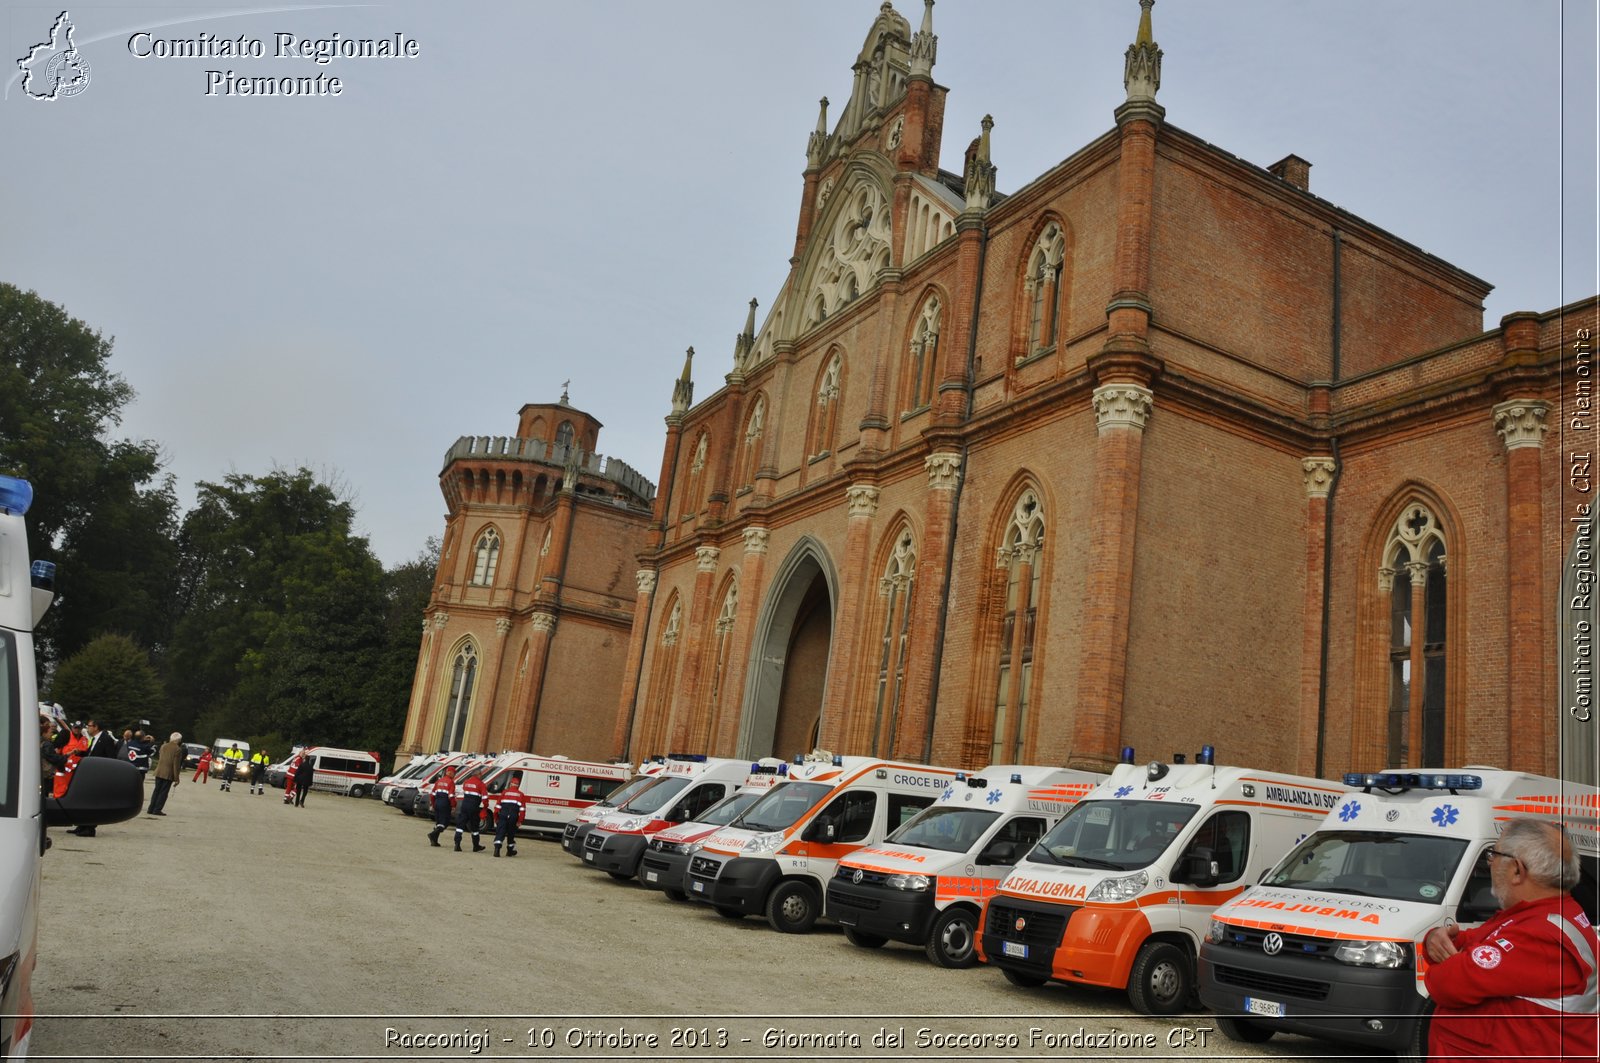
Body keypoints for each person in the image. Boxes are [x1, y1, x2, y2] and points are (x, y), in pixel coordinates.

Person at [1421, 818, 1598, 1062]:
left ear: (1517, 870)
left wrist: (1449, 959)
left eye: (1494, 853)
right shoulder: (1532, 916)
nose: (1491, 862)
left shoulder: (1540, 935)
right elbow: (1462, 942)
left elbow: (1444, 984)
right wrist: (1433, 938)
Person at [147, 732, 184, 816]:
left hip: (159, 771)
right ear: (179, 740)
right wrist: (176, 778)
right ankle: (157, 809)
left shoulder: (163, 746)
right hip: (168, 773)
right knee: (163, 792)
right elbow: (176, 765)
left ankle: (150, 808)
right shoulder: (178, 749)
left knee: (156, 790)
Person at [491, 772, 526, 857]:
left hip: (503, 815)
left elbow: (498, 806)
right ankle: (510, 851)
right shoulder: (521, 795)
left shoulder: (504, 793)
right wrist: (520, 821)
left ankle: (497, 850)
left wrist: (496, 817)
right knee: (511, 834)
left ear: (510, 784)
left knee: (500, 832)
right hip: (513, 816)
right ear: (517, 785)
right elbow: (522, 810)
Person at [454, 771, 487, 852]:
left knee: (460, 825)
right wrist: (485, 807)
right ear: (478, 775)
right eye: (481, 774)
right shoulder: (481, 784)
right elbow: (485, 798)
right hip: (474, 807)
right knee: (475, 827)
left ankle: (457, 844)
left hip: (464, 806)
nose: (481, 776)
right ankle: (476, 846)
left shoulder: (466, 782)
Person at [427, 765, 457, 847]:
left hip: (437, 802)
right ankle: (432, 834)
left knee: (438, 822)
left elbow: (432, 795)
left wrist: (433, 804)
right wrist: (453, 806)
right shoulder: (451, 782)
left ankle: (434, 841)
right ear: (450, 773)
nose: (454, 775)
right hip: (445, 803)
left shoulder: (438, 781)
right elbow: (451, 796)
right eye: (454, 773)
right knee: (445, 822)